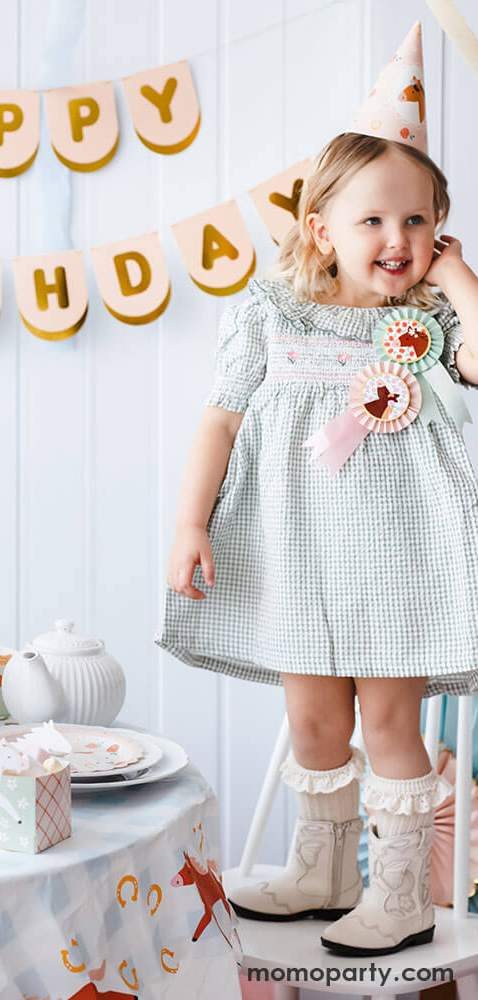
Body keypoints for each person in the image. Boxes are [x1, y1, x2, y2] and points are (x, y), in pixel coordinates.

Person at [155, 24, 478, 958]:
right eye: (373, 220)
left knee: (387, 720)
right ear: (320, 228)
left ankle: (404, 892)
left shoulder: (425, 316)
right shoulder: (268, 310)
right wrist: (190, 523)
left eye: (417, 222)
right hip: (296, 547)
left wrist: (459, 281)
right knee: (313, 718)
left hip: (399, 558)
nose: (397, 239)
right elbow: (219, 419)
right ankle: (323, 872)